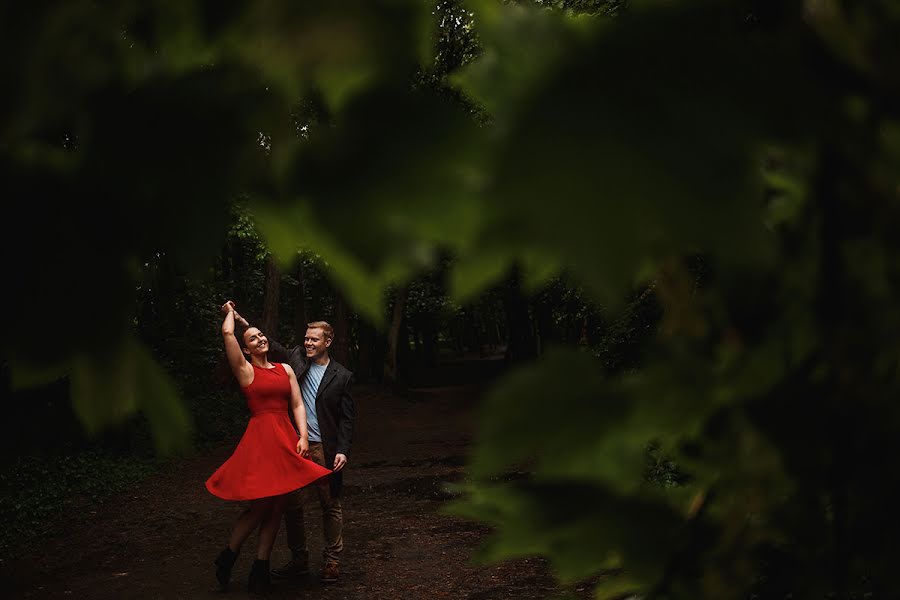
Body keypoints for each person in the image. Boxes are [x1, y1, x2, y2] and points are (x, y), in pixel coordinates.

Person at [224, 302, 355, 584]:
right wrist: (240, 320)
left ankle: (332, 561)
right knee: (290, 507)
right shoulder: (295, 359)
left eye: (313, 339)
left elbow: (346, 418)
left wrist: (343, 449)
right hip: (291, 446)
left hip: (324, 447)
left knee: (329, 504)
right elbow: (262, 344)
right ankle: (299, 559)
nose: (307, 342)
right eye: (306, 338)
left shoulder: (342, 376)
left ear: (327, 342)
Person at [206, 302, 331, 594]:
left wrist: (302, 436)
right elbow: (227, 335)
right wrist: (230, 315)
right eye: (253, 339)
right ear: (246, 349)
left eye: (262, 335)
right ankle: (228, 555)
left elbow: (297, 403)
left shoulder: (284, 368)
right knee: (261, 506)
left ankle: (260, 568)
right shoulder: (245, 370)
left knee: (278, 506)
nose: (261, 339)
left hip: (285, 437)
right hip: (261, 441)